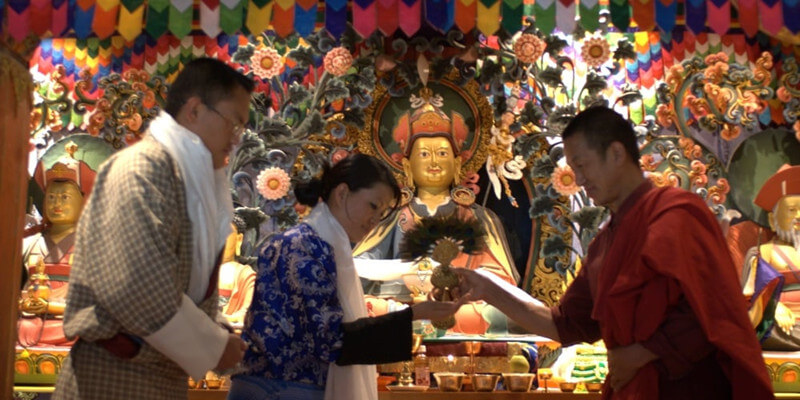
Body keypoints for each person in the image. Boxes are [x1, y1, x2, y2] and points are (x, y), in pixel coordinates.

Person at [454, 106, 773, 399]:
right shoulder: (605, 244)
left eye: (582, 165)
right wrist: (486, 288)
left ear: (617, 153)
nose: (578, 179)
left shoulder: (676, 214)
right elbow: (565, 324)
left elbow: (712, 311)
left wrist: (641, 352)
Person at [54, 58, 254, 400]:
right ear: (193, 110)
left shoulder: (182, 178)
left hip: (158, 378)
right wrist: (216, 346)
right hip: (113, 379)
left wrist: (217, 333)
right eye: (233, 124)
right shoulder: (140, 169)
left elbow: (179, 290)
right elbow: (136, 287)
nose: (236, 140)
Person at [229, 154, 464, 400]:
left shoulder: (325, 247)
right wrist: (415, 314)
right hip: (278, 389)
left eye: (383, 213)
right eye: (373, 206)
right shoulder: (300, 247)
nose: (375, 220)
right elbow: (333, 341)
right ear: (342, 193)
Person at [354, 87, 518, 334]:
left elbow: (502, 282)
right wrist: (409, 267)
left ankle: (425, 322)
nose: (433, 162)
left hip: (461, 308)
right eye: (424, 154)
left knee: (498, 314)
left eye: (442, 154)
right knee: (363, 307)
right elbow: (355, 267)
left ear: (457, 163)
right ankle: (419, 319)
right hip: (400, 307)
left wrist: (459, 279)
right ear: (407, 166)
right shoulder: (392, 216)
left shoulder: (478, 217)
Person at [18, 141, 97, 348]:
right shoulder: (29, 242)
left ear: (84, 200)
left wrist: (50, 306)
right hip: (31, 321)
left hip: (69, 321)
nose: (57, 203)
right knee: (20, 329)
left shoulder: (93, 246)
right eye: (51, 197)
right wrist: (26, 302)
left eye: (64, 197)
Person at [742, 164, 800, 350]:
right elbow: (750, 295)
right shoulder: (765, 252)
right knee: (770, 331)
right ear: (772, 220)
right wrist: (774, 308)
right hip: (782, 322)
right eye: (791, 210)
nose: (798, 216)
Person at [218, 212, 256, 325]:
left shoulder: (244, 274)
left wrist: (227, 318)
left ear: (238, 240)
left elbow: (248, 310)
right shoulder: (202, 273)